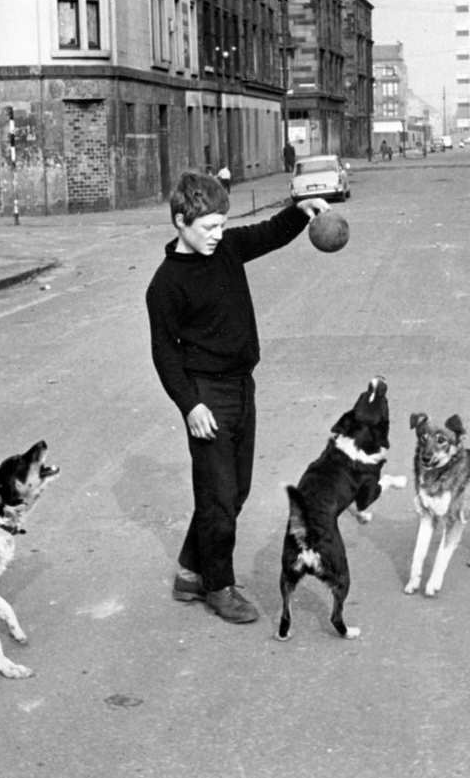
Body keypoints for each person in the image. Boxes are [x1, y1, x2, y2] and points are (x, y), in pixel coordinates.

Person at [145, 171, 329, 624]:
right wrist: (190, 405)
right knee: (220, 497)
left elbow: (265, 234)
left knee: (232, 490)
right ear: (180, 222)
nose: (218, 234)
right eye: (208, 227)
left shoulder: (225, 249)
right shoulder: (166, 284)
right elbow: (165, 355)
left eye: (222, 225)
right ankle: (218, 586)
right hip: (207, 397)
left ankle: (191, 571)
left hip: (242, 386)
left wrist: (299, 213)